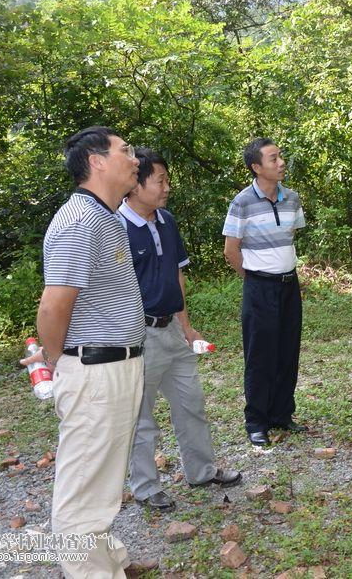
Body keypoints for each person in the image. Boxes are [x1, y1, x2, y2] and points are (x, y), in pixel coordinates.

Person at [19, 126, 145, 578]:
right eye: (125, 150)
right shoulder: (79, 221)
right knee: (84, 484)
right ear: (97, 161)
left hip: (118, 364)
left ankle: (109, 561)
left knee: (104, 476)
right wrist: (59, 361)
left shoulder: (107, 216)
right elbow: (54, 305)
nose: (134, 158)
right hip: (94, 369)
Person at [120, 149, 241, 511]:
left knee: (191, 403)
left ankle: (202, 470)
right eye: (160, 180)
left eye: (167, 180)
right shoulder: (114, 226)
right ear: (136, 185)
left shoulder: (166, 221)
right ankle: (145, 486)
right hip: (138, 335)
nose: (167, 187)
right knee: (141, 416)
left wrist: (186, 326)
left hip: (172, 328)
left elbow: (176, 273)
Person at [223, 138, 308, 446]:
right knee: (260, 356)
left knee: (288, 351)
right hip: (260, 287)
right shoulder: (242, 202)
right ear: (256, 167)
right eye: (273, 159)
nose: (281, 162)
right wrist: (256, 277)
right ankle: (256, 421)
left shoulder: (292, 199)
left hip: (289, 284)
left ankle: (282, 415)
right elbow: (231, 250)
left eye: (280, 156)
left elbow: (289, 237)